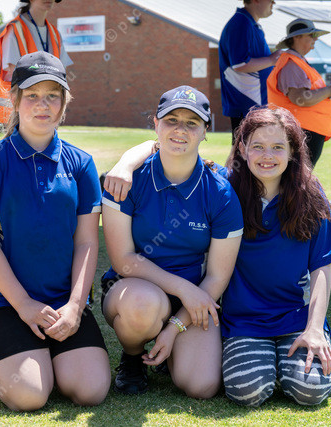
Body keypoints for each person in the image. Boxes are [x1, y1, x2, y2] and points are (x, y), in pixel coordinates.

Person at [104, 106, 331, 406]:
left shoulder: (311, 193)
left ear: (293, 150)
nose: (267, 156)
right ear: (241, 148)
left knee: (310, 392)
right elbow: (169, 146)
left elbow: (322, 266)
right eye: (257, 146)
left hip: (296, 317)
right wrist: (126, 162)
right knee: (247, 391)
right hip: (244, 320)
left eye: (278, 147)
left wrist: (315, 329)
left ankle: (283, 358)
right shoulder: (226, 187)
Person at [0, 52, 109, 411]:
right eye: (32, 95)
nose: (43, 105)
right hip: (5, 301)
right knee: (29, 395)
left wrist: (75, 306)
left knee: (90, 391)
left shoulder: (81, 163)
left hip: (62, 302)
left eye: (53, 95)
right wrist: (24, 305)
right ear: (14, 99)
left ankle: (45, 355)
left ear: (64, 102)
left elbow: (87, 242)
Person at [101, 86, 243, 397]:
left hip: (194, 297)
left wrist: (176, 326)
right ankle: (133, 356)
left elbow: (217, 276)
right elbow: (123, 260)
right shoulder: (126, 178)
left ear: (205, 131)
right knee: (143, 306)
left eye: (192, 123)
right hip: (136, 289)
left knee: (201, 386)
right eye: (172, 120)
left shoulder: (220, 191)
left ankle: (170, 346)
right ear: (156, 124)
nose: (180, 130)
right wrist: (184, 289)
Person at [267, 18, 331, 166]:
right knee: (297, 176)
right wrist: (329, 90)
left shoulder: (297, 62)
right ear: (297, 37)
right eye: (311, 35)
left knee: (298, 176)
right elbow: (300, 99)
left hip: (304, 131)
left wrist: (328, 93)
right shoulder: (292, 64)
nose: (315, 39)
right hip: (301, 131)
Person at [0, 0, 72, 124]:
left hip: (47, 114)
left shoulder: (55, 33)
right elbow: (14, 77)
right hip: (17, 117)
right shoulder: (14, 30)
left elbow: (62, 76)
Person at [219, 0, 281, 141]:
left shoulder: (248, 23)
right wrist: (272, 60)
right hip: (247, 104)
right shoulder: (241, 23)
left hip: (253, 105)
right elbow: (240, 64)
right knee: (245, 151)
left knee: (252, 150)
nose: (273, 2)